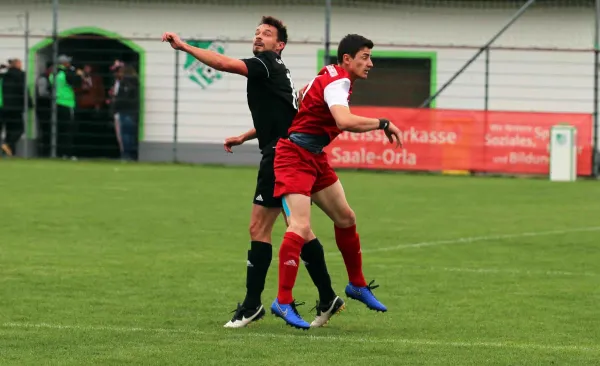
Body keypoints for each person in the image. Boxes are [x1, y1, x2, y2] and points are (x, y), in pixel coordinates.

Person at [162, 16, 344, 329]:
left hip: (280, 158)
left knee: (262, 228)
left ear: (280, 44)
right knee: (297, 227)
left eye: (267, 34)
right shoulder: (279, 70)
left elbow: (221, 62)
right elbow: (283, 117)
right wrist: (245, 136)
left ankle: (252, 306)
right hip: (289, 153)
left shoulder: (265, 63)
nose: (259, 37)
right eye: (257, 33)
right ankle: (326, 297)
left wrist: (184, 46)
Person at [270, 34, 403, 329]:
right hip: (294, 157)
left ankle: (356, 285)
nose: (371, 63)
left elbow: (309, 92)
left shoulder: (331, 73)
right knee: (300, 228)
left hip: (314, 157)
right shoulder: (339, 81)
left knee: (345, 217)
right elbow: (344, 120)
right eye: (365, 57)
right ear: (347, 59)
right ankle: (282, 299)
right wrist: (383, 123)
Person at [49, 54, 83, 159]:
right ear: (64, 63)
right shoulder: (66, 73)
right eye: (68, 62)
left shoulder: (53, 74)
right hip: (67, 103)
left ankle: (58, 152)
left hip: (56, 103)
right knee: (68, 130)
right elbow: (76, 83)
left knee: (58, 129)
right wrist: (79, 75)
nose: (70, 64)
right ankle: (67, 153)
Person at [0, 58, 31, 157]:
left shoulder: (4, 76)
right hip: (15, 107)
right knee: (18, 129)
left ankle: (8, 151)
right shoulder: (20, 75)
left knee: (6, 128)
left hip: (2, 106)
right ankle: (8, 145)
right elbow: (23, 90)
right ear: (17, 65)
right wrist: (29, 103)